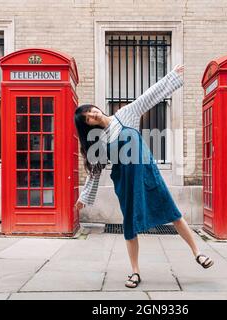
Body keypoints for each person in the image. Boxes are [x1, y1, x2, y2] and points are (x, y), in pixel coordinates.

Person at [73, 64, 214, 288]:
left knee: (173, 213)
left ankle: (198, 253)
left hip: (147, 175)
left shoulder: (124, 115)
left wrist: (172, 77)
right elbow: (95, 172)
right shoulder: (99, 142)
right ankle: (135, 272)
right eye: (87, 118)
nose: (92, 114)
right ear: (87, 126)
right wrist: (83, 197)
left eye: (91, 110)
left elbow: (147, 97)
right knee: (129, 225)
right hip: (126, 184)